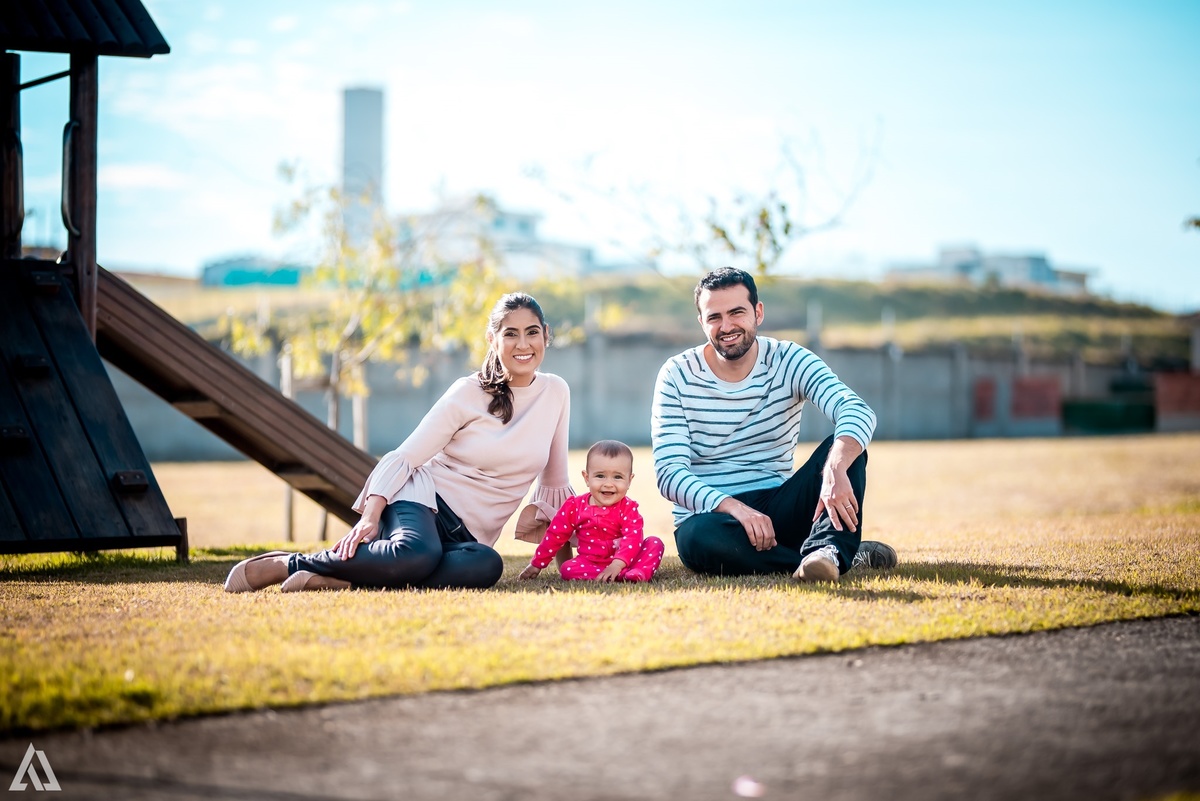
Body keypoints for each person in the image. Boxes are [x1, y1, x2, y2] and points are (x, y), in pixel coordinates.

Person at [224, 292, 574, 593]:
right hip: (423, 502)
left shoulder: (556, 392)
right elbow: (406, 456)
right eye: (511, 334)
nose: (523, 344)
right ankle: (287, 564)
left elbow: (554, 484)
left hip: (468, 538)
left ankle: (346, 580)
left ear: (546, 335)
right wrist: (370, 516)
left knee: (486, 565)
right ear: (492, 339)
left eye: (532, 333)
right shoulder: (468, 392)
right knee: (416, 554)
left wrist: (566, 568)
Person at [651, 267, 897, 583]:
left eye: (737, 312)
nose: (726, 326)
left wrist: (835, 466)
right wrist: (735, 508)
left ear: (758, 312)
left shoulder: (789, 359)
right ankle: (836, 555)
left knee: (846, 447)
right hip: (714, 517)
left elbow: (855, 409)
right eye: (714, 317)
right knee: (698, 537)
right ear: (701, 322)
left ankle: (827, 553)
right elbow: (669, 473)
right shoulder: (677, 374)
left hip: (780, 505)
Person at [518, 440, 664, 583]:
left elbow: (633, 538)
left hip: (627, 560)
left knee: (654, 543)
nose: (608, 484)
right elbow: (554, 535)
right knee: (567, 569)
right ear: (587, 478)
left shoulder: (628, 508)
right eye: (600, 476)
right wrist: (537, 563)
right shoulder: (574, 507)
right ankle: (620, 576)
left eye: (617, 477)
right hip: (591, 563)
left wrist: (617, 565)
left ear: (629, 481)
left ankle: (637, 572)